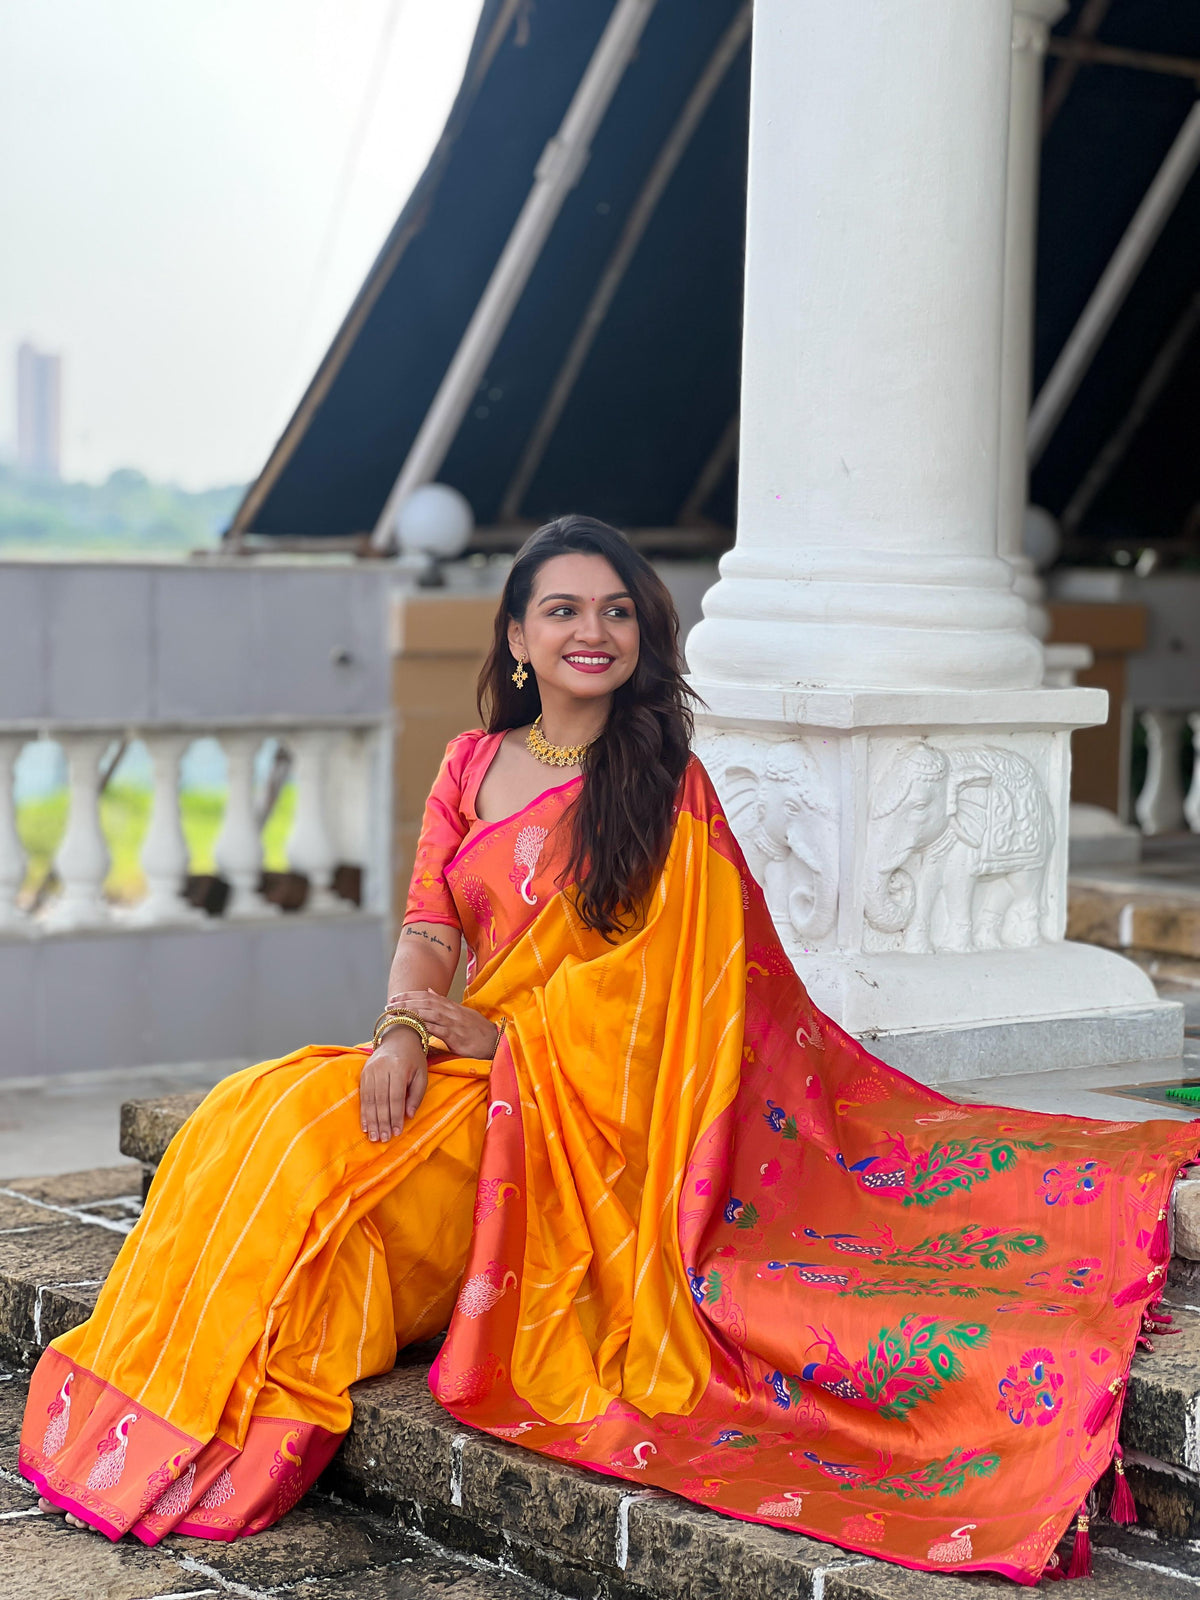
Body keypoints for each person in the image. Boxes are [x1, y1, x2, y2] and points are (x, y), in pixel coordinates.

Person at [20, 515, 1199, 1581]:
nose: (595, 630)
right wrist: (398, 1030)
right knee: (255, 1114)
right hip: (472, 1068)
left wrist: (505, 1033)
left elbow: (668, 1004)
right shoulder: (470, 768)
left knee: (327, 1177)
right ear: (520, 639)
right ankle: (162, 1406)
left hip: (571, 1113)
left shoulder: (666, 787)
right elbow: (431, 929)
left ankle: (224, 1414)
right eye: (565, 610)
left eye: (617, 609)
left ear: (642, 634)